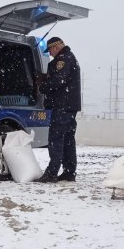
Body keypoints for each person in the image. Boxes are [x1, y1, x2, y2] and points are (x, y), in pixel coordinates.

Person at [36, 37, 81, 182]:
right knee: (68, 139)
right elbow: (62, 78)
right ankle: (69, 172)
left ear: (56, 46)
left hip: (62, 105)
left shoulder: (64, 59)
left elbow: (59, 80)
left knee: (56, 139)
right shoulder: (69, 58)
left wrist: (43, 86)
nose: (50, 53)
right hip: (69, 106)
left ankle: (52, 173)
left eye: (50, 50)